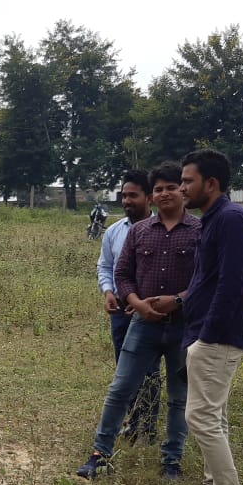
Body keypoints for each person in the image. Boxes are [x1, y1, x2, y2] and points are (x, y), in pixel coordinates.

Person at [144, 149, 243, 485]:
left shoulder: (231, 219)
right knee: (214, 416)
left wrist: (207, 335)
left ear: (211, 183)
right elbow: (204, 282)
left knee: (202, 418)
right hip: (204, 333)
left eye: (187, 181)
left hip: (218, 336)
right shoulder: (215, 220)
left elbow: (231, 284)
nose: (181, 188)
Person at [77, 162, 201, 481]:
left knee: (178, 397)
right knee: (120, 389)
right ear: (152, 195)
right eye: (158, 189)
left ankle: (171, 460)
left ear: (183, 191)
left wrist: (177, 300)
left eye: (171, 187)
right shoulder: (139, 231)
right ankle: (100, 454)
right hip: (142, 325)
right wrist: (136, 303)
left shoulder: (200, 232)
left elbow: (206, 279)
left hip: (183, 326)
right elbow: (122, 273)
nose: (164, 194)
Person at [98, 171, 160, 444]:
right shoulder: (114, 231)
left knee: (149, 370)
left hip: (148, 312)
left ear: (149, 198)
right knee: (124, 371)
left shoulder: (161, 231)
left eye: (133, 195)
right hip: (120, 312)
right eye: (124, 195)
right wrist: (108, 291)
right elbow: (106, 266)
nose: (126, 201)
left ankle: (147, 427)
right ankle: (133, 423)